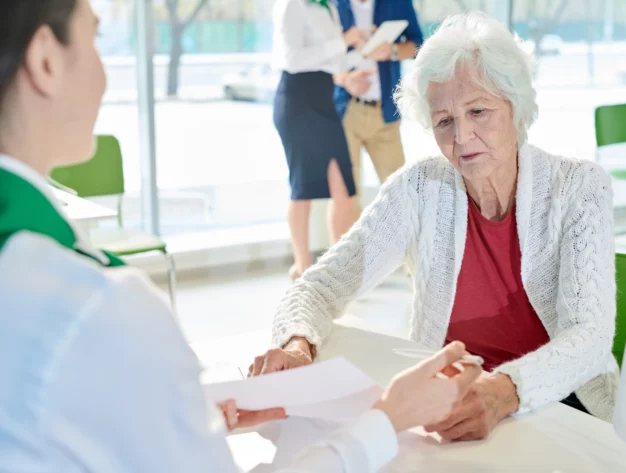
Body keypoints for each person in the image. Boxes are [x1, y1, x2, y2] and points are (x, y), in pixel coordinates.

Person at [0, 1, 482, 472]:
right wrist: (389, 418)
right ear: (45, 60)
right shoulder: (97, 306)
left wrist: (178, 416)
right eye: (96, 37)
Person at [251, 12, 620, 441]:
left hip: (562, 409)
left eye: (478, 111)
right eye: (444, 121)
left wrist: (504, 391)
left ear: (516, 108)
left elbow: (590, 337)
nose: (462, 137)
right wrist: (298, 344)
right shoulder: (418, 188)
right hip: (450, 411)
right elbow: (317, 287)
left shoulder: (579, 187)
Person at [272, 0, 364, 281]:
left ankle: (335, 270)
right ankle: (302, 268)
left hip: (325, 103)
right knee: (302, 188)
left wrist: (352, 68)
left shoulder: (328, 7)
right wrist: (343, 41)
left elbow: (332, 63)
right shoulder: (292, 5)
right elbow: (292, 59)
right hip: (297, 102)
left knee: (344, 190)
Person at [333, 0, 424, 206]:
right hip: (345, 113)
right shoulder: (333, 5)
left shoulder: (398, 3)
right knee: (345, 197)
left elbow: (419, 45)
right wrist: (346, 79)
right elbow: (318, 59)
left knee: (400, 195)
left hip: (385, 114)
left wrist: (391, 51)